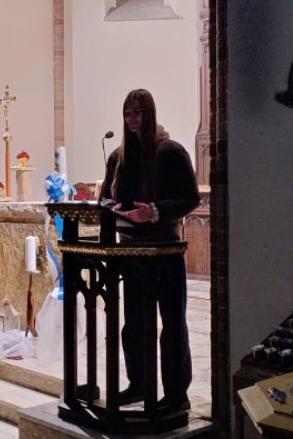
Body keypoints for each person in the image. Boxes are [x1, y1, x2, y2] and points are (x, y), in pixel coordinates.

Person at [99, 88, 200, 412]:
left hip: (164, 249)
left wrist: (154, 211)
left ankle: (176, 394)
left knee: (172, 323)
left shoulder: (171, 151)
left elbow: (191, 198)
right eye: (127, 113)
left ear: (149, 113)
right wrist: (114, 208)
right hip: (130, 252)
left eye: (138, 112)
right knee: (135, 324)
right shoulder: (118, 157)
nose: (132, 119)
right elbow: (104, 198)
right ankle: (139, 385)